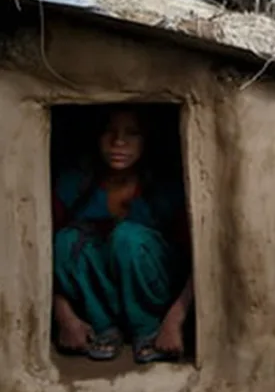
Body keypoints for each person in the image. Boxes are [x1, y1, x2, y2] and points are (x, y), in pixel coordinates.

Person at [51, 106, 193, 364]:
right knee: (65, 240)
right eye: (109, 131)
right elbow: (37, 255)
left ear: (147, 140)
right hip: (97, 302)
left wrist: (175, 321)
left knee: (127, 237)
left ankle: (147, 329)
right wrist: (64, 317)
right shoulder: (74, 184)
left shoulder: (166, 190)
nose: (118, 142)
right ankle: (103, 328)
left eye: (132, 133)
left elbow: (202, 262)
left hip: (158, 299)